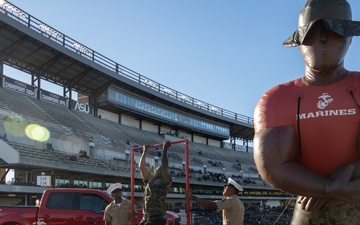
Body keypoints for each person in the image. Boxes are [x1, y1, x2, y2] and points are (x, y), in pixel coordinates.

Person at [253, 0, 360, 224]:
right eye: (312, 33)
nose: (322, 39)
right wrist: (326, 187)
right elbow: (273, 165)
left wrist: (325, 185)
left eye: (332, 30)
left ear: (348, 37)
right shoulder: (277, 99)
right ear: (300, 40)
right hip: (310, 207)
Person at [139, 141, 172, 225]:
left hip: (157, 216)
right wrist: (144, 152)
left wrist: (164, 149)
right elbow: (141, 167)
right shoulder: (150, 180)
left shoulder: (165, 180)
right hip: (147, 216)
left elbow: (164, 165)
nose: (156, 168)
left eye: (158, 168)